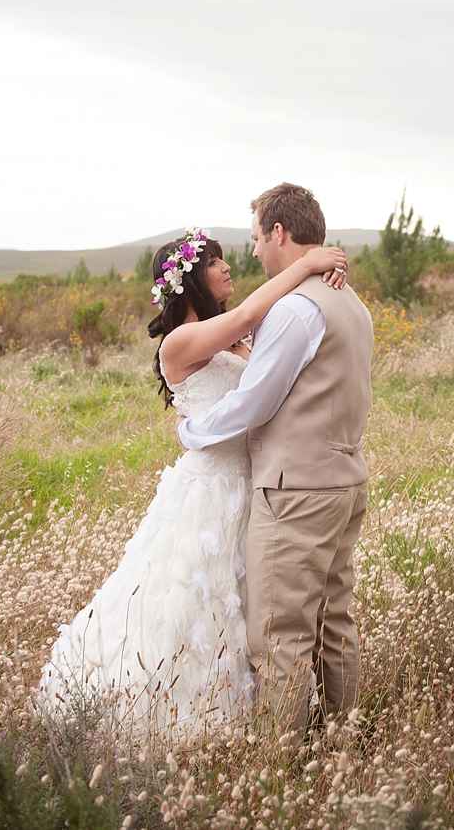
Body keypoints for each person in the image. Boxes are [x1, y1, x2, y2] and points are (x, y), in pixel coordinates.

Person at [37, 226, 348, 735]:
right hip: (209, 489)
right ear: (188, 282)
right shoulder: (181, 340)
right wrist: (308, 263)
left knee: (257, 600)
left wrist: (318, 276)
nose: (227, 268)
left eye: (227, 258)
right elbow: (250, 313)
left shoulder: (229, 335)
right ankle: (183, 708)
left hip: (255, 481)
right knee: (193, 597)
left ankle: (272, 708)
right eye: (214, 262)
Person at [178, 184, 373, 736]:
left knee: (280, 634)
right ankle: (343, 743)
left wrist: (193, 431)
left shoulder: (294, 310)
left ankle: (279, 764)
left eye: (259, 240)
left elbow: (254, 400)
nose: (257, 254)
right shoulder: (349, 301)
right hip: (343, 481)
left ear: (280, 234)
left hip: (296, 492)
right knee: (336, 623)